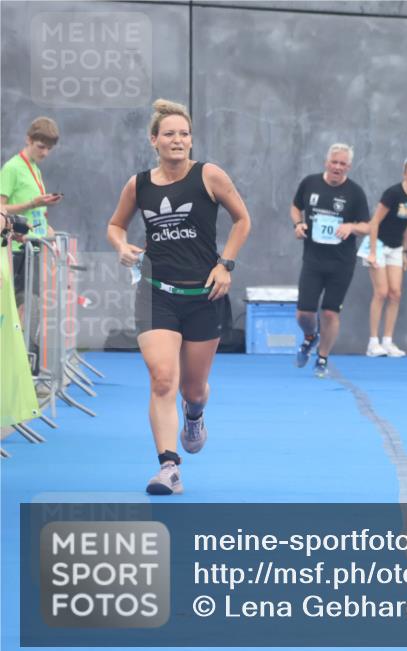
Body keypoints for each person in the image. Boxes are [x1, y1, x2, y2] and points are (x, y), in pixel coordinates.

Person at [106, 99, 251, 495]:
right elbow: (116, 225)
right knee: (162, 378)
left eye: (184, 134)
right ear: (154, 140)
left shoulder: (209, 176)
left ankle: (195, 415)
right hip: (157, 294)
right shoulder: (139, 184)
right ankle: (169, 467)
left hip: (204, 295)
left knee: (192, 388)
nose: (178, 140)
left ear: (191, 140)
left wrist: (226, 265)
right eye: (169, 134)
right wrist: (120, 245)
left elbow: (243, 219)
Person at [291, 143, 371, 378]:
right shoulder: (310, 183)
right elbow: (295, 207)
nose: (337, 167)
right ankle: (309, 336)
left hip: (341, 263)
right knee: (304, 314)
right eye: (334, 162)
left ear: (349, 166)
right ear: (327, 162)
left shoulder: (355, 193)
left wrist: (351, 227)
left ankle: (322, 357)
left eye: (342, 164)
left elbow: (367, 226)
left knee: (329, 313)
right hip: (313, 260)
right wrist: (298, 224)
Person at [0, 116, 63, 319]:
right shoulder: (12, 168)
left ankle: (24, 349)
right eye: (40, 146)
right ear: (28, 139)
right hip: (15, 249)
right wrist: (33, 203)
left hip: (33, 246)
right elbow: (0, 209)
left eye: (48, 149)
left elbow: (33, 213)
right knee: (17, 305)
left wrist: (48, 229)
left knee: (28, 304)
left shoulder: (35, 168)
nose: (44, 152)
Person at [362, 157, 407, 357]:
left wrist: (405, 252)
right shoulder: (393, 193)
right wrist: (372, 252)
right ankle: (373, 342)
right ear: (405, 173)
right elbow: (374, 222)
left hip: (396, 248)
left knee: (395, 293)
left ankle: (388, 341)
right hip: (378, 245)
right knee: (381, 292)